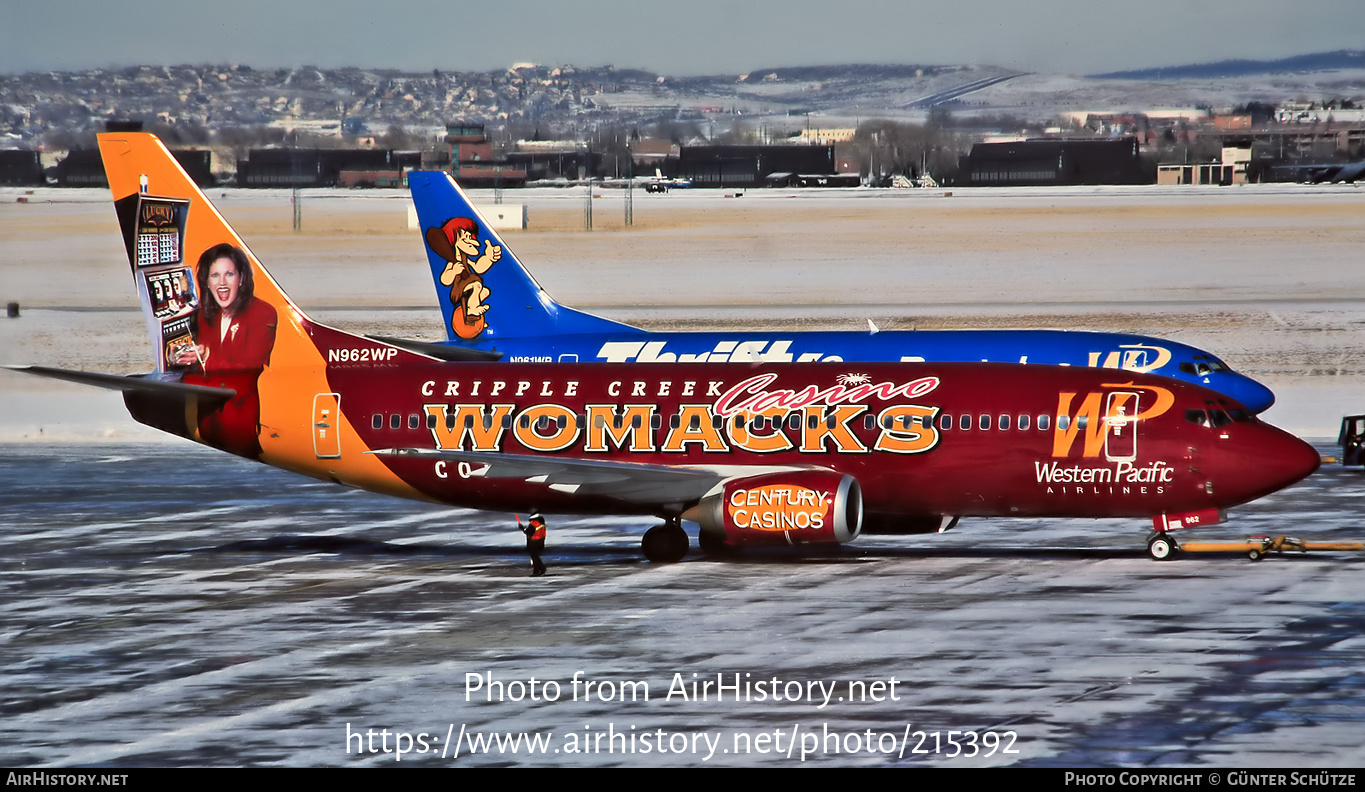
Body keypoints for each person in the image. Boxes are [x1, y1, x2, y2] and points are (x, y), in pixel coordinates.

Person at [176, 243, 278, 459]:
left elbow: (247, 367)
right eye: (215, 275)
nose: (222, 283)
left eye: (229, 274)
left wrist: (205, 359)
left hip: (240, 429)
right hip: (207, 429)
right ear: (207, 282)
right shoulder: (203, 317)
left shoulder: (263, 313)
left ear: (241, 279)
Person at [425, 217, 501, 340]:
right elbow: (445, 280)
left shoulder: (465, 258)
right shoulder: (453, 261)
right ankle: (472, 310)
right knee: (477, 284)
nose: (471, 242)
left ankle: (476, 319)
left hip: (467, 288)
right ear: (455, 240)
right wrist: (454, 271)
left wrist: (489, 258)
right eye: (467, 238)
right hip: (458, 291)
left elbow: (478, 267)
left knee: (485, 291)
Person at [521, 512, 547, 576]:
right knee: (536, 557)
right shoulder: (542, 523)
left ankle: (537, 571)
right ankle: (541, 568)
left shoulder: (534, 523)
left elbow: (529, 532)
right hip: (541, 542)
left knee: (534, 557)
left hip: (534, 542)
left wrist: (522, 528)